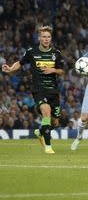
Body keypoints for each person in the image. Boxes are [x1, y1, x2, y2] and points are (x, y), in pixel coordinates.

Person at [2, 26, 64, 154]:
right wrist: (10, 69)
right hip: (39, 89)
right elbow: (20, 62)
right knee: (46, 111)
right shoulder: (32, 51)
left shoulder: (56, 53)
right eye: (44, 37)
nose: (46, 39)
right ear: (39, 38)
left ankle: (40, 132)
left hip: (53, 90)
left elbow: (62, 71)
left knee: (56, 122)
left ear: (50, 38)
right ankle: (48, 146)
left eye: (48, 37)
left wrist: (54, 70)